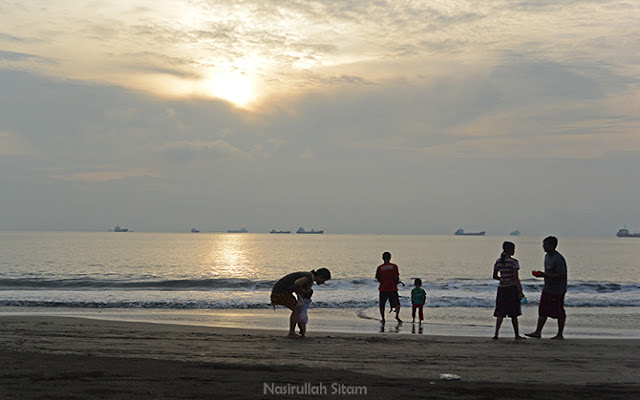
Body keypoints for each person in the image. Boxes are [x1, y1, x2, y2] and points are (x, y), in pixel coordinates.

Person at [526, 236, 568, 340]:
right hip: (547, 288)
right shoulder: (547, 256)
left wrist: (544, 275)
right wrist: (543, 275)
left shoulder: (559, 259)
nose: (543, 247)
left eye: (545, 245)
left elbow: (561, 275)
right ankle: (538, 332)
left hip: (557, 290)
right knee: (542, 310)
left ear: (552, 246)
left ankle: (560, 334)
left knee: (559, 311)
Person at [270, 268, 331, 338]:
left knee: (297, 310)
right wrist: (302, 291)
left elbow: (295, 285)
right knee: (297, 309)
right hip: (281, 292)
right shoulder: (309, 277)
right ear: (320, 276)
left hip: (280, 291)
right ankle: (291, 332)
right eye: (324, 280)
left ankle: (294, 330)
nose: (323, 282)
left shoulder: (309, 277)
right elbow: (297, 283)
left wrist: (300, 291)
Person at [492, 241, 525, 340]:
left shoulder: (498, 261)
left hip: (502, 289)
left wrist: (502, 279)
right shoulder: (514, 262)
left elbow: (494, 276)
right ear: (511, 250)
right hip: (511, 289)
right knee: (514, 313)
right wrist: (520, 291)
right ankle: (516, 334)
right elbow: (516, 278)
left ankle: (496, 334)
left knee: (500, 313)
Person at [376, 252, 401, 323]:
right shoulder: (394, 266)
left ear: (382, 258)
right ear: (390, 258)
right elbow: (396, 277)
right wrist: (396, 282)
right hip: (392, 288)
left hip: (383, 288)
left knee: (382, 304)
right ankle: (397, 316)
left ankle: (383, 318)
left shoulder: (380, 267)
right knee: (397, 304)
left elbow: (378, 278)